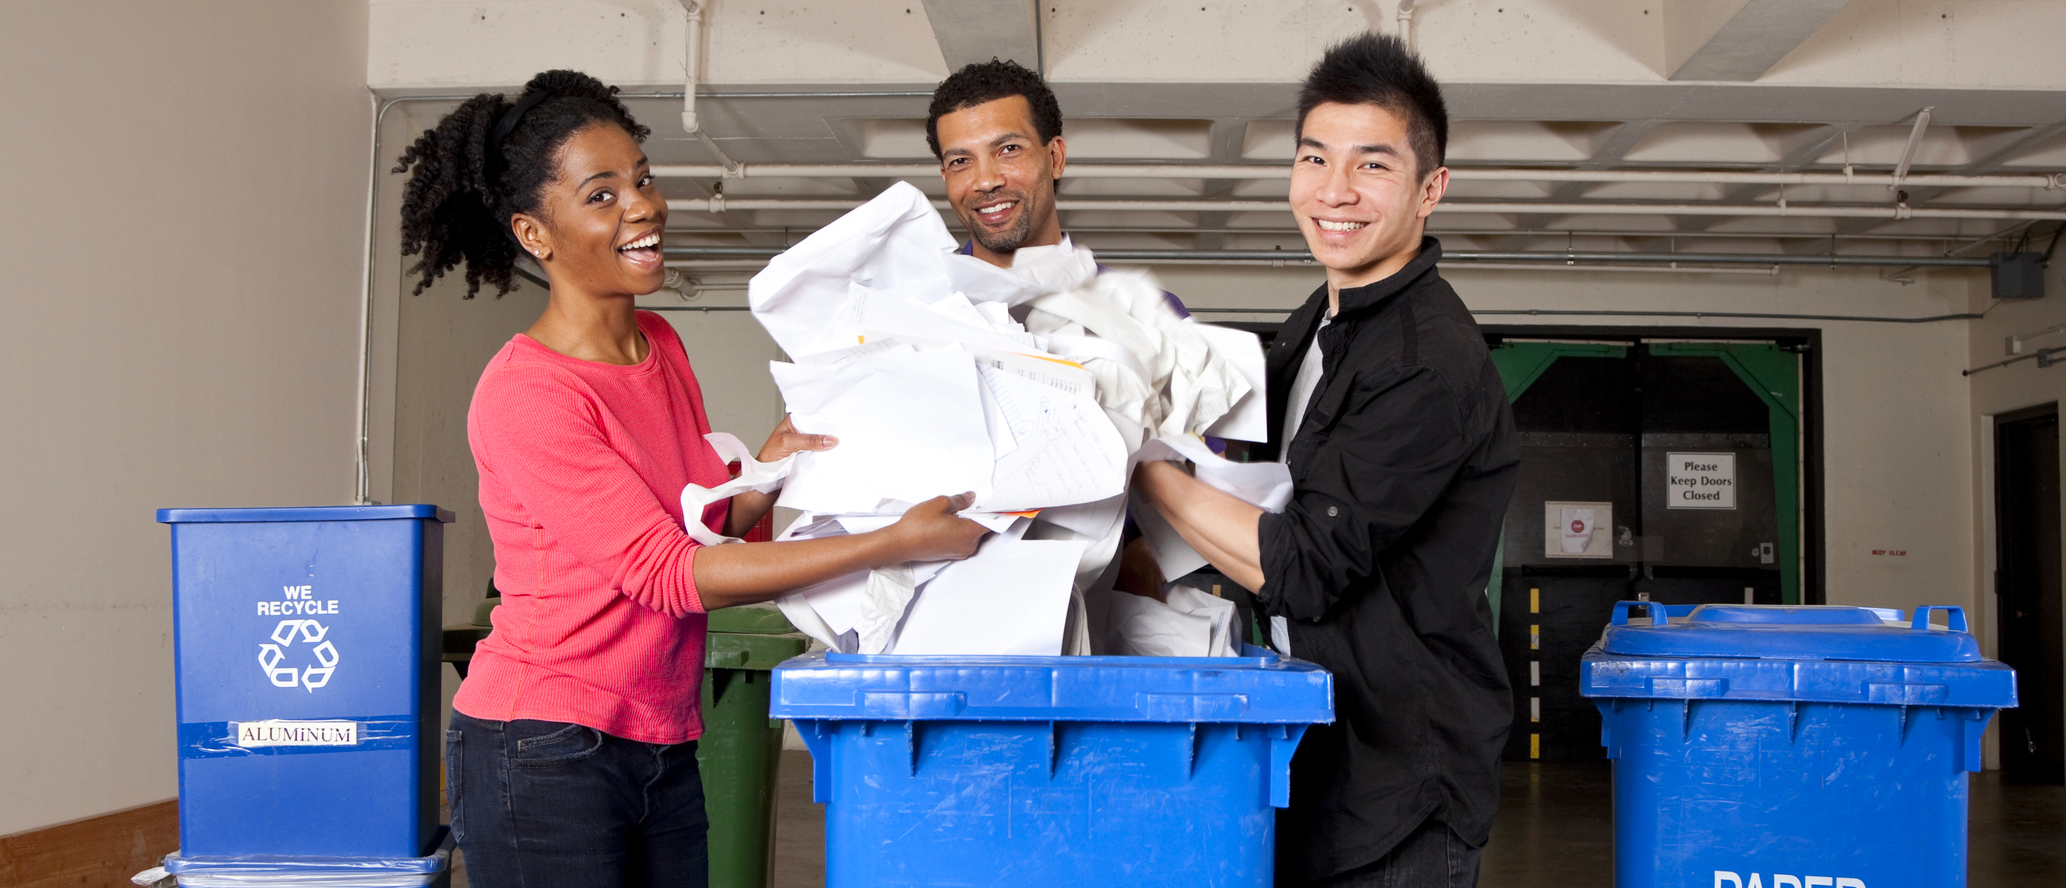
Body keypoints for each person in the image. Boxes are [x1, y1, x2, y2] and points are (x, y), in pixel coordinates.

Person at [393, 70, 991, 888]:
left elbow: (702, 526)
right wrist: (890, 544)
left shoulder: (661, 346)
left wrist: (775, 467)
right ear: (536, 233)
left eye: (641, 179)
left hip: (663, 733)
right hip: (542, 744)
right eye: (602, 195)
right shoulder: (528, 392)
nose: (642, 205)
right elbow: (671, 575)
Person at [1130, 34, 1518, 888]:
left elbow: (1301, 563)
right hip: (1307, 751)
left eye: (1372, 166)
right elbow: (1258, 479)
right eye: (1314, 158)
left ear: (1431, 189)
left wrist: (1137, 460)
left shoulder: (1426, 361)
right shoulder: (1320, 322)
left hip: (1399, 782)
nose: (1333, 192)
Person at [926, 58, 1189, 317]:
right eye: (960, 161)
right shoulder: (920, 309)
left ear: (1055, 158)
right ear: (945, 176)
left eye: (1009, 149)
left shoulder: (1145, 315)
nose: (985, 181)